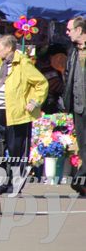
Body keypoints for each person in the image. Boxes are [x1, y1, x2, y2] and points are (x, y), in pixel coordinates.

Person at [0, 34, 47, 196]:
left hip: (16, 113)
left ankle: (15, 184)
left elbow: (42, 83)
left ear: (9, 48)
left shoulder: (23, 63)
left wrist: (33, 102)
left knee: (15, 151)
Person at [63, 16, 86, 195]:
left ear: (80, 30)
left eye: (70, 29)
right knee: (83, 144)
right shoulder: (73, 51)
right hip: (79, 105)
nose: (67, 32)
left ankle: (80, 179)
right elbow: (69, 75)